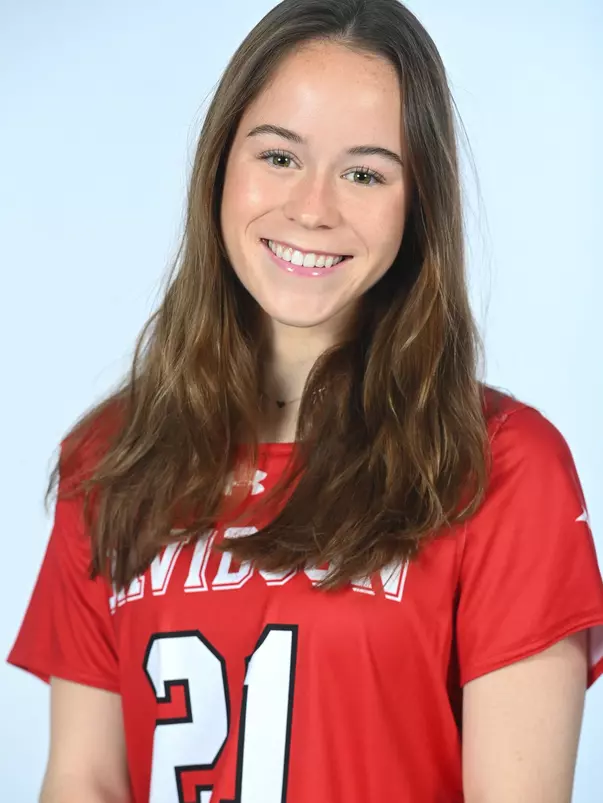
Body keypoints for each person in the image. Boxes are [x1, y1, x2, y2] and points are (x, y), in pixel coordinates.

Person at [7, 0, 603, 801]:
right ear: (221, 165)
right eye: (279, 156)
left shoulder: (501, 463)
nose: (313, 207)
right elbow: (84, 780)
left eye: (364, 173)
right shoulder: (114, 456)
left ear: (417, 203)